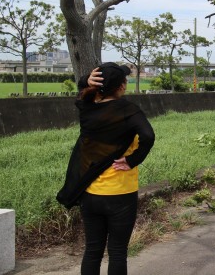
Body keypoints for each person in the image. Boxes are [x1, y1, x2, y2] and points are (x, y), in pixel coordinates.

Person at [57, 62, 155, 275]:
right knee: (118, 251)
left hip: (90, 193)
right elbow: (148, 135)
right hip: (120, 193)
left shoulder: (87, 107)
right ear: (120, 86)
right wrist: (131, 160)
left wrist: (85, 80)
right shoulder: (128, 110)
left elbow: (82, 93)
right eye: (125, 80)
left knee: (92, 251)